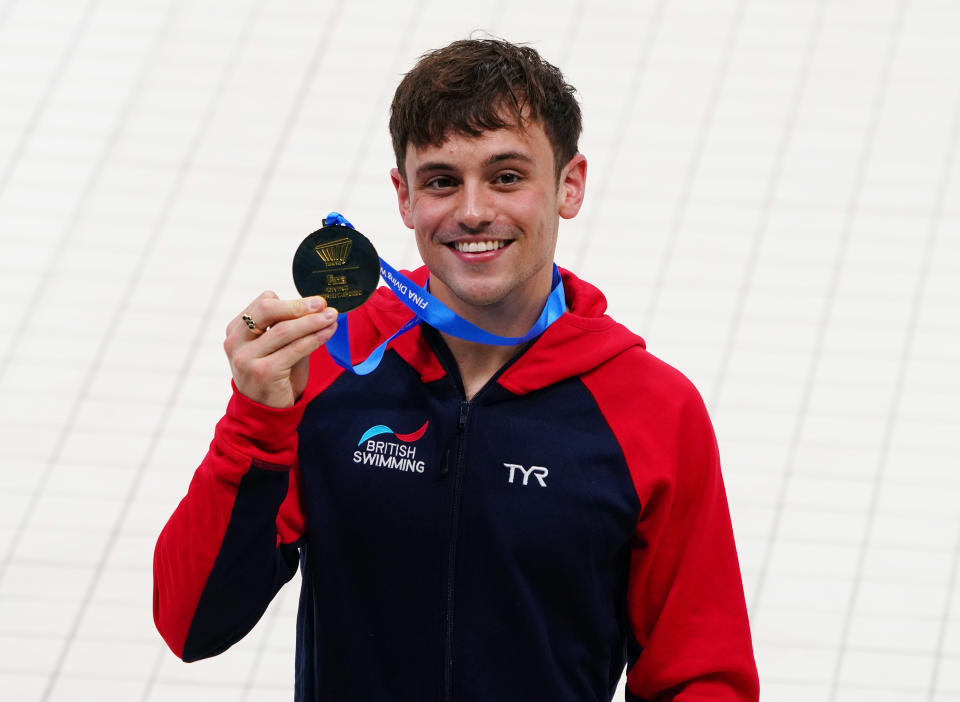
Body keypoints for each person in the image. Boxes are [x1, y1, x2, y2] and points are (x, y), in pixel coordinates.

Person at [153, 38, 760, 701]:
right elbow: (193, 625)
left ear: (569, 185)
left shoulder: (651, 410)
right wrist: (255, 422)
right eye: (442, 180)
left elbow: (702, 675)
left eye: (506, 176)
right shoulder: (329, 367)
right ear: (404, 197)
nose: (473, 211)